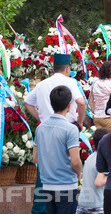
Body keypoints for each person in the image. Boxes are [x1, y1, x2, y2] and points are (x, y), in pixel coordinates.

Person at [24, 53, 87, 214]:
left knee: (44, 172)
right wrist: (80, 122)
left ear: (53, 68)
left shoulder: (42, 84)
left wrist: (41, 118)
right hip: (66, 128)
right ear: (68, 68)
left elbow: (27, 102)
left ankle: (38, 210)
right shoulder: (70, 82)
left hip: (45, 128)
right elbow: (81, 102)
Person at [33, 85, 82, 214]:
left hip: (47, 185)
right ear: (69, 105)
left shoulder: (40, 128)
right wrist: (79, 173)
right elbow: (75, 161)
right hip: (66, 185)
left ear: (51, 103)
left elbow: (35, 158)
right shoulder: (70, 129)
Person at [77, 127, 109, 214]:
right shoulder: (104, 160)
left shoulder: (90, 157)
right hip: (98, 204)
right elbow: (99, 182)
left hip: (82, 203)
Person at [90, 61, 111, 129]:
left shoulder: (95, 83)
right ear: (110, 71)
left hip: (97, 117)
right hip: (108, 117)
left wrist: (95, 111)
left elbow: (90, 101)